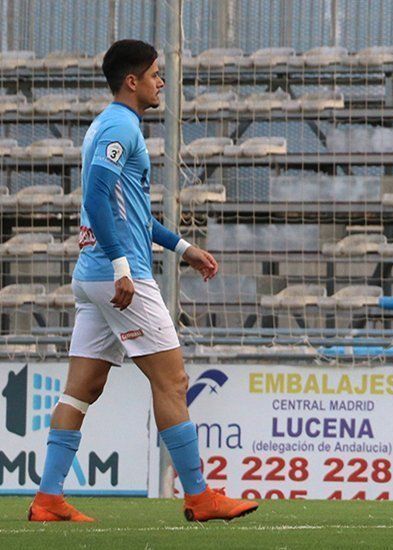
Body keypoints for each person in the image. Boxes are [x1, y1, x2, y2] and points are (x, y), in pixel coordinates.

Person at [28, 39, 258, 523]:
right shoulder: (118, 125)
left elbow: (129, 214)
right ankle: (200, 497)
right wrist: (121, 266)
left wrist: (183, 249)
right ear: (132, 81)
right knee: (172, 380)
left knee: (80, 390)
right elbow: (94, 197)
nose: (161, 82)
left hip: (92, 277)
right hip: (118, 276)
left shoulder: (109, 126)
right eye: (155, 74)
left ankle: (48, 499)